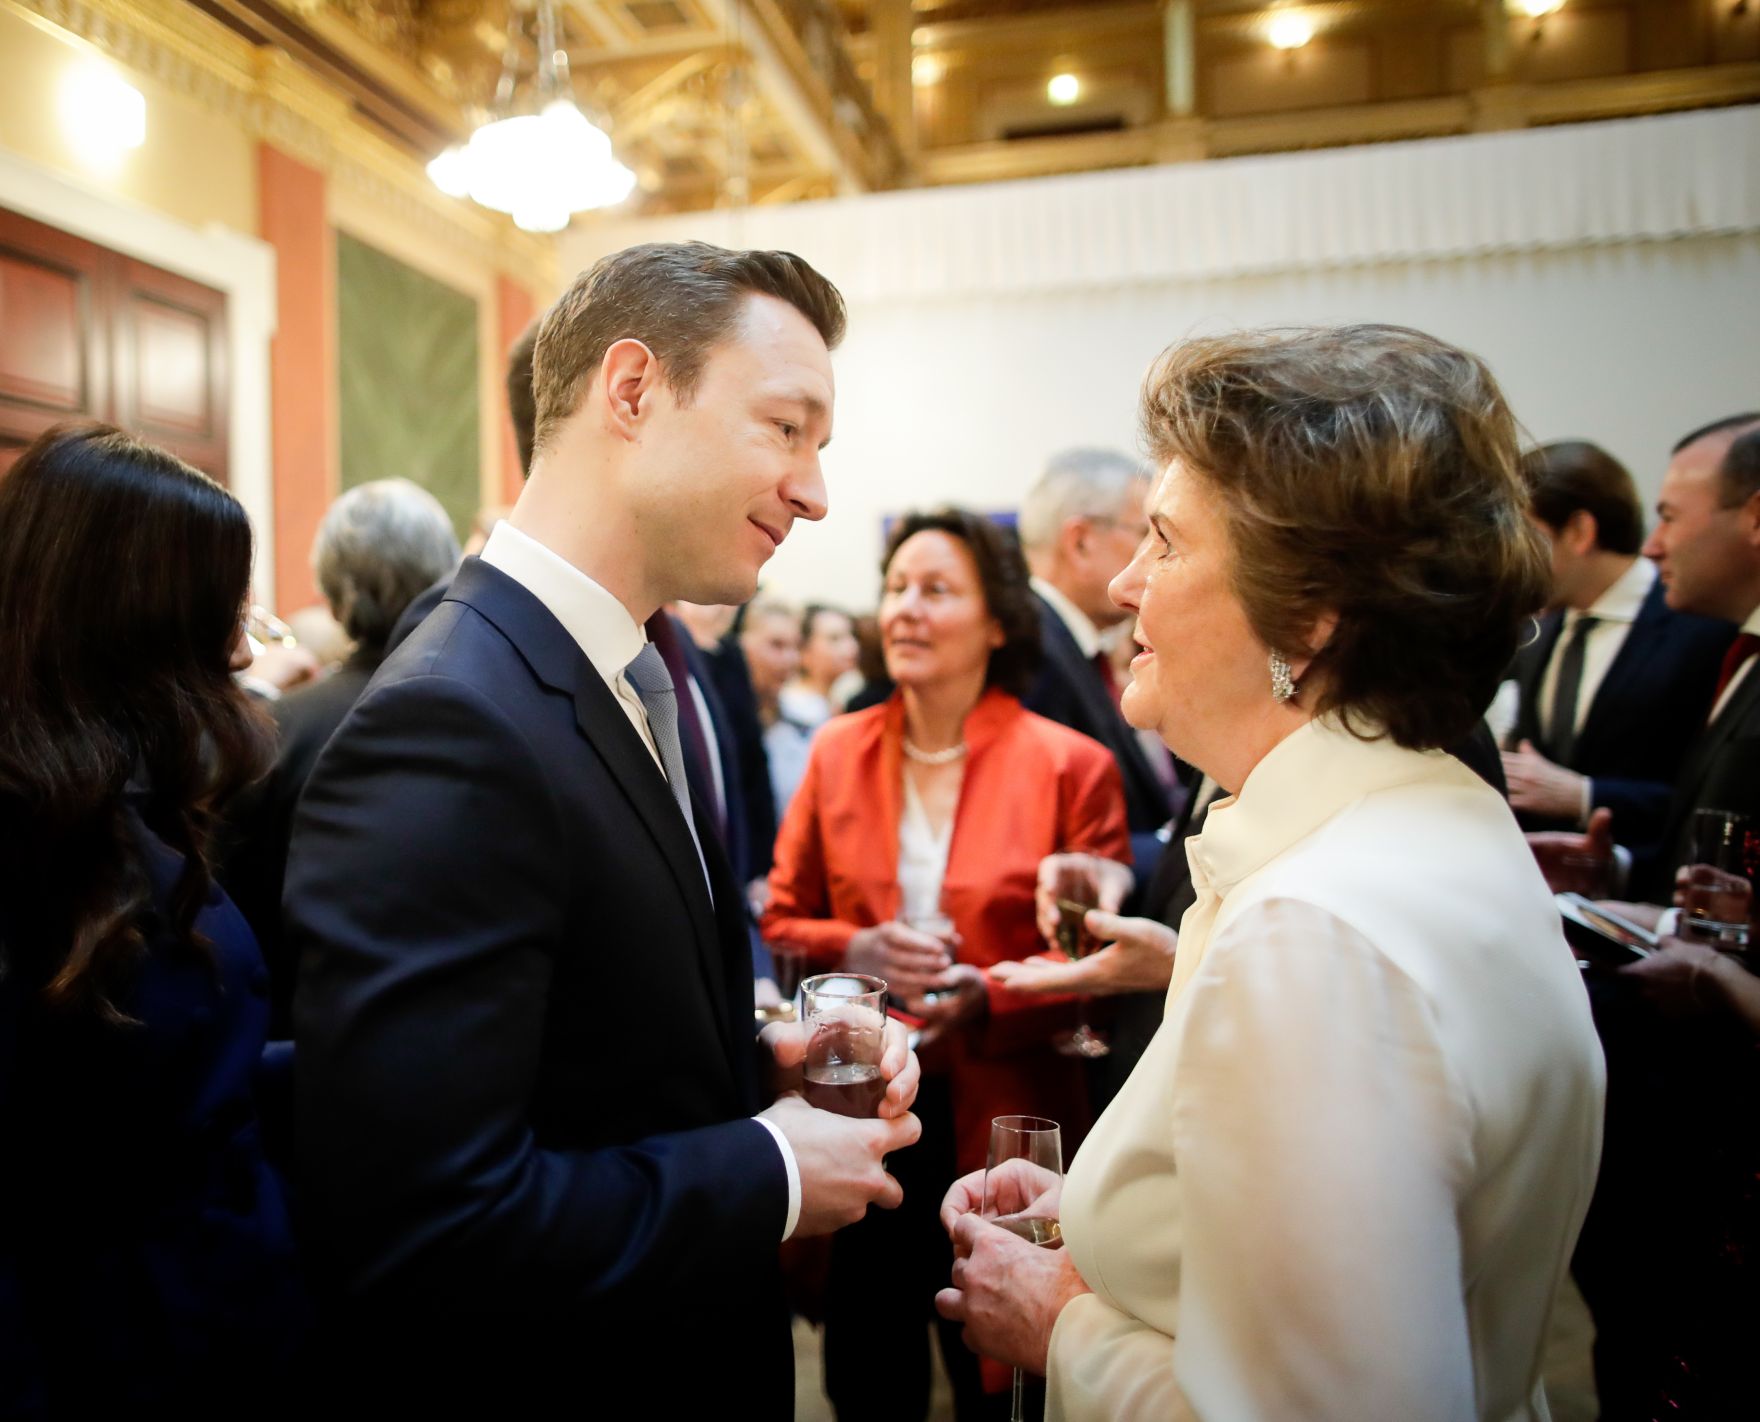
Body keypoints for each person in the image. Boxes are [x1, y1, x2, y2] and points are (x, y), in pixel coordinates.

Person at [285, 242, 920, 1416]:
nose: (814, 489)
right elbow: (423, 1222)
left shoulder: (606, 671)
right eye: (786, 429)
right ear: (630, 390)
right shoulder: (447, 719)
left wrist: (751, 1052)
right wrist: (771, 1167)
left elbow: (567, 1041)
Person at [936, 325, 1604, 1421]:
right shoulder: (1432, 818)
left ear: (1304, 613)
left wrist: (1062, 1324)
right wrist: (1122, 1214)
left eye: (1163, 541)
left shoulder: (1315, 935)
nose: (1121, 585)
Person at [762, 507, 1130, 1422]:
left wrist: (993, 994)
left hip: (1004, 1112)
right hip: (869, 1103)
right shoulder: (839, 750)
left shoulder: (1069, 765)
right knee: (868, 1362)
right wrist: (856, 948)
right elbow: (779, 915)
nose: (907, 611)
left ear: (997, 620)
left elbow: (1099, 965)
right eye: (895, 589)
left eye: (937, 590)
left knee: (999, 1367)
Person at [0, 424, 306, 1415]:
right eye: (217, 609)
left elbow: (154, 1086)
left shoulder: (103, 814)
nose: (236, 646)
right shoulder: (39, 848)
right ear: (132, 622)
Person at [222, 478, 461, 1034]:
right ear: (447, 570)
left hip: (306, 1034)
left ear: (333, 595)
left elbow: (242, 904)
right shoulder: (487, 699)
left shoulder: (278, 729)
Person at [1501, 440, 1729, 851]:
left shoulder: (1703, 627)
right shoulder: (1536, 630)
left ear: (1580, 532)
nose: (1512, 559)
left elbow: (1710, 791)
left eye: (1526, 537)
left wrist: (1585, 795)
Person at [1020, 448, 1175, 878]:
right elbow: (1048, 835)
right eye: (1146, 533)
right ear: (1081, 541)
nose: (1155, 556)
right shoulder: (1034, 652)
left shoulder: (1075, 645)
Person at [784, 603, 859, 726]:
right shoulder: (794, 710)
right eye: (835, 638)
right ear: (804, 651)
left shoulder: (835, 703)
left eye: (852, 635)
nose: (852, 646)